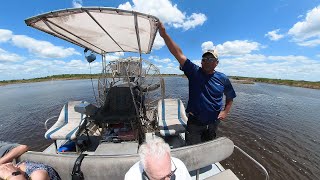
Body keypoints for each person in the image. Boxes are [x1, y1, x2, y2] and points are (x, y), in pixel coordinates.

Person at [158, 21, 236, 145]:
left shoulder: (223, 78)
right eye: (204, 59)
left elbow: (230, 96)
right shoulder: (195, 72)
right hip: (195, 122)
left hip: (213, 122)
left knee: (208, 146)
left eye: (211, 59)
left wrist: (225, 112)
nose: (207, 61)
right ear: (201, 62)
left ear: (217, 62)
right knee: (192, 149)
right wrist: (164, 34)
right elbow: (178, 53)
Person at [125, 137, 191, 180]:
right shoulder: (132, 176)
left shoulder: (178, 165)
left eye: (169, 174)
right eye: (161, 179)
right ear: (145, 174)